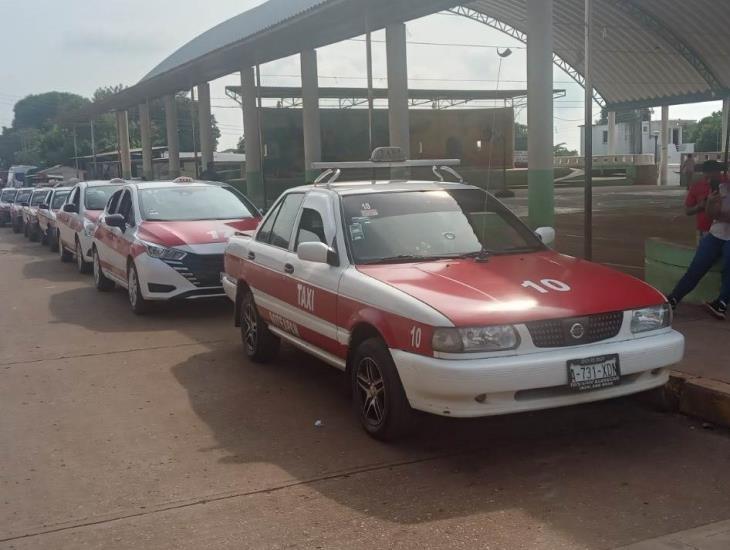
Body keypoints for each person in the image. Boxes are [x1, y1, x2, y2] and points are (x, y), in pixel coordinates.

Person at [667, 171, 730, 320]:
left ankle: (722, 303)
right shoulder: (722, 187)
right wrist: (710, 204)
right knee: (696, 268)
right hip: (716, 234)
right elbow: (711, 214)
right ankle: (674, 298)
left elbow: (720, 215)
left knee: (728, 270)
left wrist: (718, 214)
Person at [684, 160, 721, 241]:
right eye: (707, 176)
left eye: (714, 176)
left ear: (719, 173)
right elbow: (687, 211)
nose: (710, 180)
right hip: (705, 230)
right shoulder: (697, 186)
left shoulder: (727, 185)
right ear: (704, 173)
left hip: (725, 231)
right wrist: (699, 207)